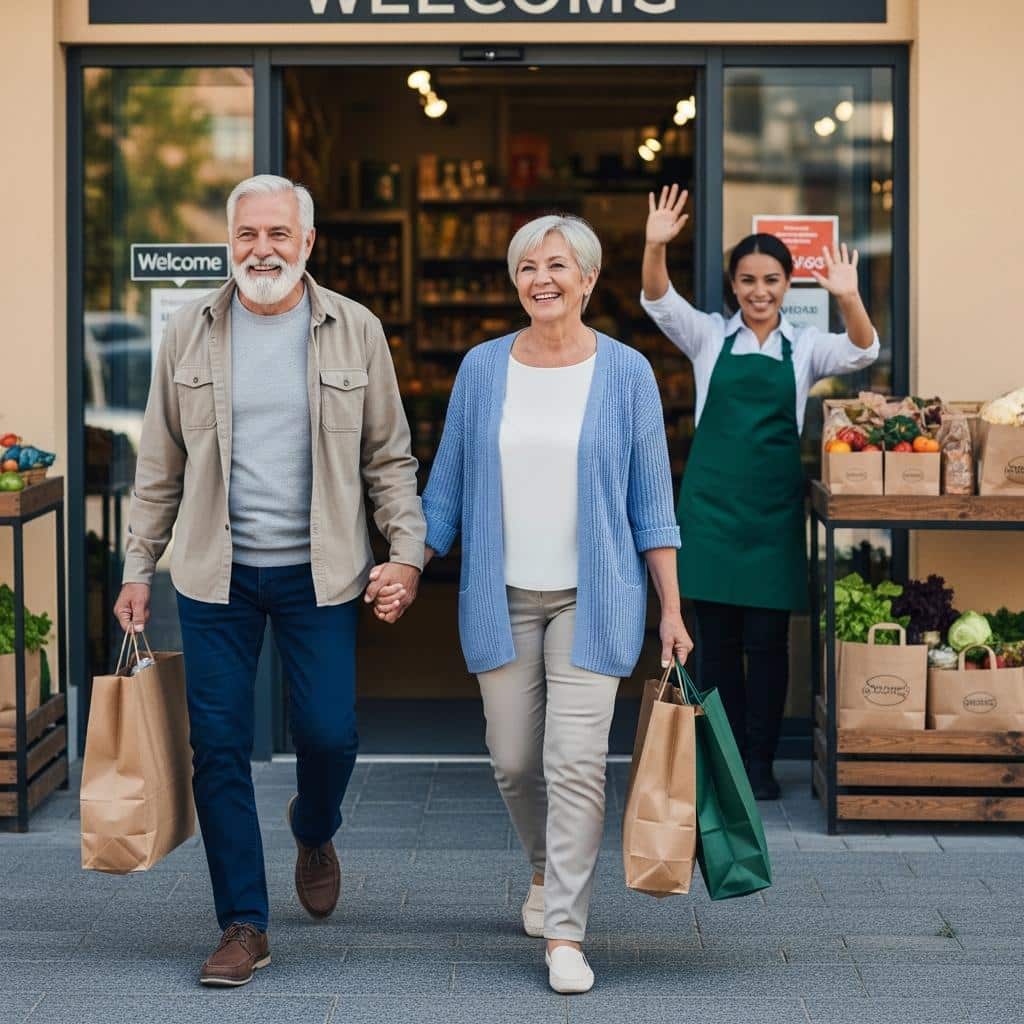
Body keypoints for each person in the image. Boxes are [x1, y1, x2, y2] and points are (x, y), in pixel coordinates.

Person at [113, 174, 425, 987]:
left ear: (308, 243)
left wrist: (406, 552)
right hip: (215, 576)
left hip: (320, 574)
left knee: (329, 732)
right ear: (230, 241)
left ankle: (313, 826)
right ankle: (243, 923)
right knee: (216, 748)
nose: (262, 249)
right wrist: (138, 566)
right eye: (248, 234)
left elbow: (389, 458)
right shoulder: (189, 332)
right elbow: (159, 466)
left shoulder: (355, 330)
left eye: (279, 234)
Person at [373, 214, 692, 995]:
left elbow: (653, 505)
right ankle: (547, 869)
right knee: (516, 761)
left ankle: (565, 935)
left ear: (588, 278)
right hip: (502, 597)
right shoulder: (484, 369)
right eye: (527, 267)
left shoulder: (627, 374)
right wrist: (408, 564)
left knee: (576, 762)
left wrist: (672, 611)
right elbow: (444, 488)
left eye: (558, 265)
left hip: (597, 596)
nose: (541, 278)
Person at [640, 184, 879, 800]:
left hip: (772, 518)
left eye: (771, 280)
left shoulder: (802, 349)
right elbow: (658, 299)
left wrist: (849, 297)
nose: (759, 291)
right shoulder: (708, 339)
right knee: (716, 649)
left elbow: (863, 349)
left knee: (769, 648)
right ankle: (722, 763)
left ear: (788, 283)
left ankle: (760, 764)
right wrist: (654, 246)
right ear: (733, 284)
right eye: (747, 280)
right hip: (712, 517)